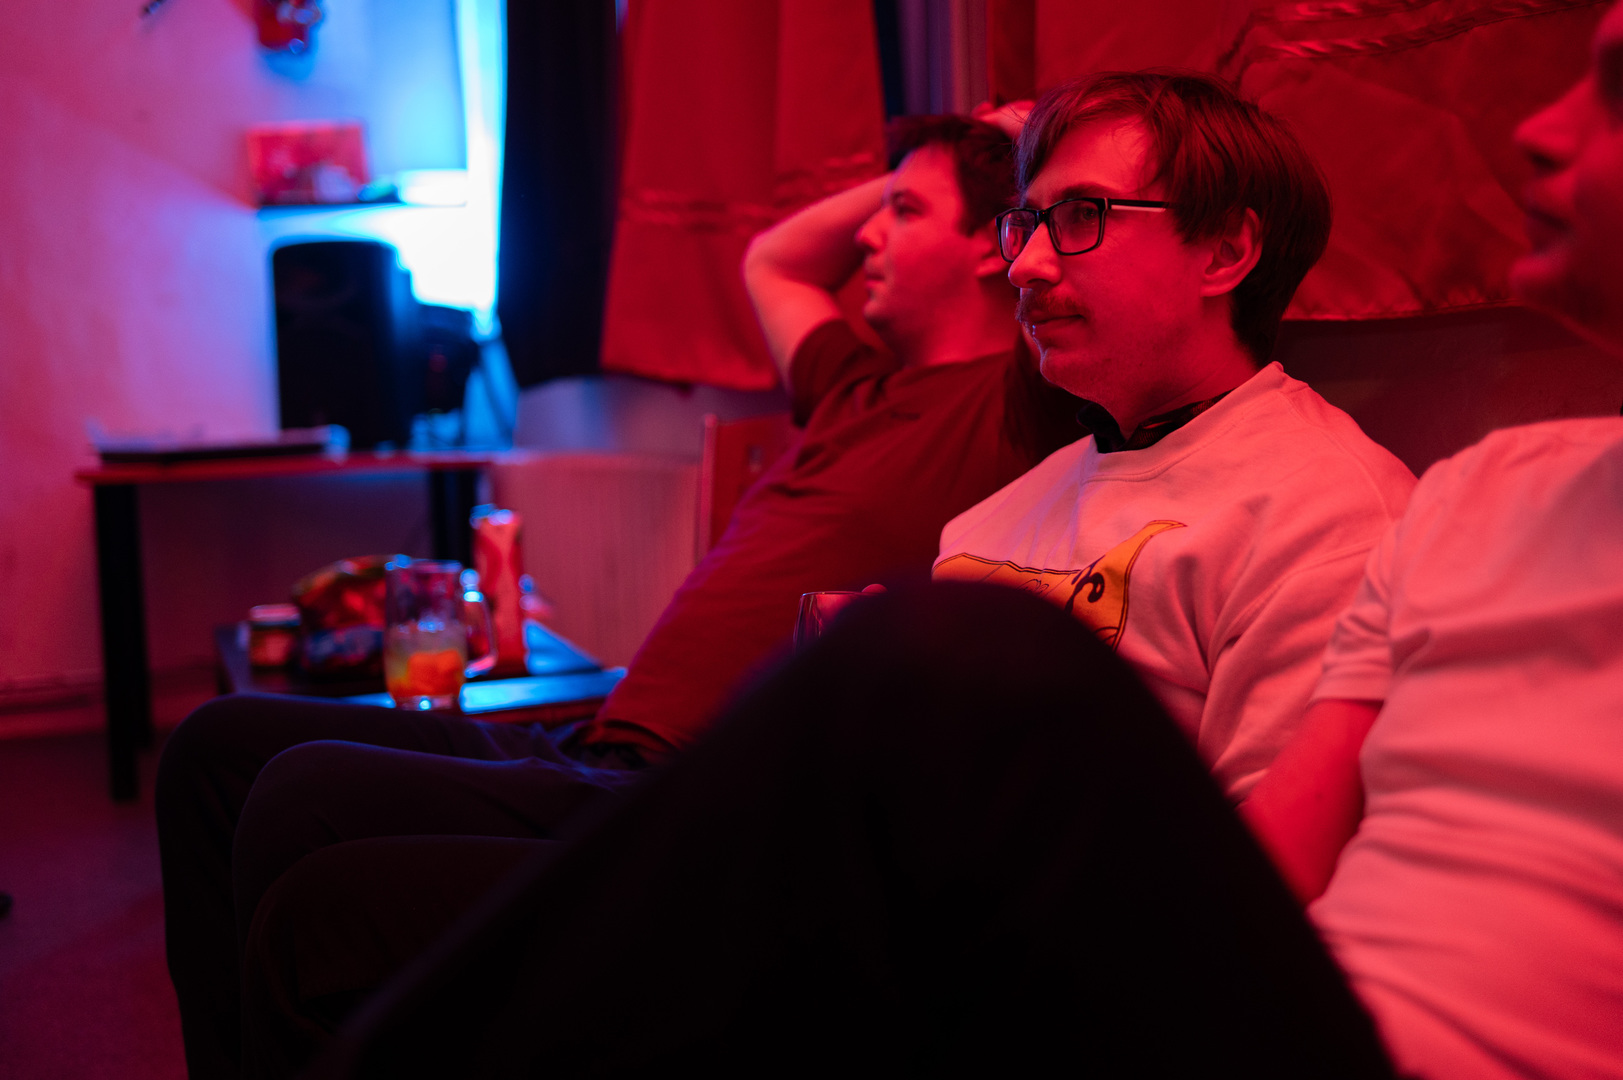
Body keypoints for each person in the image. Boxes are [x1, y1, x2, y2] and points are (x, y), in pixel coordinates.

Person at [310, 22, 1623, 1080]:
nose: (1030, 265)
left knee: (948, 657)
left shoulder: (1333, 502)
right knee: (305, 818)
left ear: (1228, 248)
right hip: (889, 904)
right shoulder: (1470, 495)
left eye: (1082, 218)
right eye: (1023, 225)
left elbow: (1248, 889)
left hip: (1088, 975)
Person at [157, 114, 1082, 1080]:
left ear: (995, 242)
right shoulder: (850, 387)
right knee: (217, 748)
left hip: (688, 783)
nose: (864, 234)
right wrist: (937, 156)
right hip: (598, 736)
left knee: (301, 814)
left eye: (904, 210)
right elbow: (773, 259)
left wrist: (1014, 162)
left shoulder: (1015, 402)